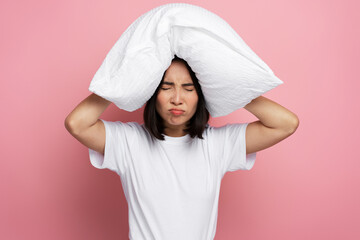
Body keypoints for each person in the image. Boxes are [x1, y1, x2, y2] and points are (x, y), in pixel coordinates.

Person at [65, 55, 299, 240]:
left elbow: (285, 124)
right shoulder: (130, 142)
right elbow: (77, 124)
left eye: (188, 89)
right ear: (152, 94)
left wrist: (231, 88)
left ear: (202, 96)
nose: (177, 99)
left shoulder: (217, 145)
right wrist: (123, 84)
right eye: (167, 88)